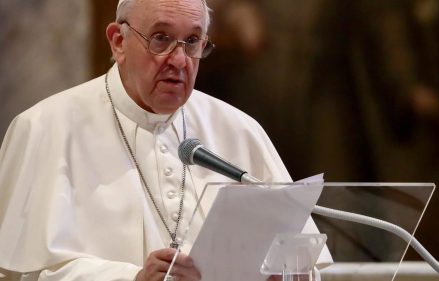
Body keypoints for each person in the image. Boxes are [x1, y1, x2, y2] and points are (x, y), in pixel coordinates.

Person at [0, 0, 330, 280]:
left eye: (193, 41)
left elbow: (302, 262)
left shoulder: (240, 131)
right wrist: (133, 278)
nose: (179, 59)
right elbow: (20, 273)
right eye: (161, 38)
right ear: (118, 41)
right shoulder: (45, 128)